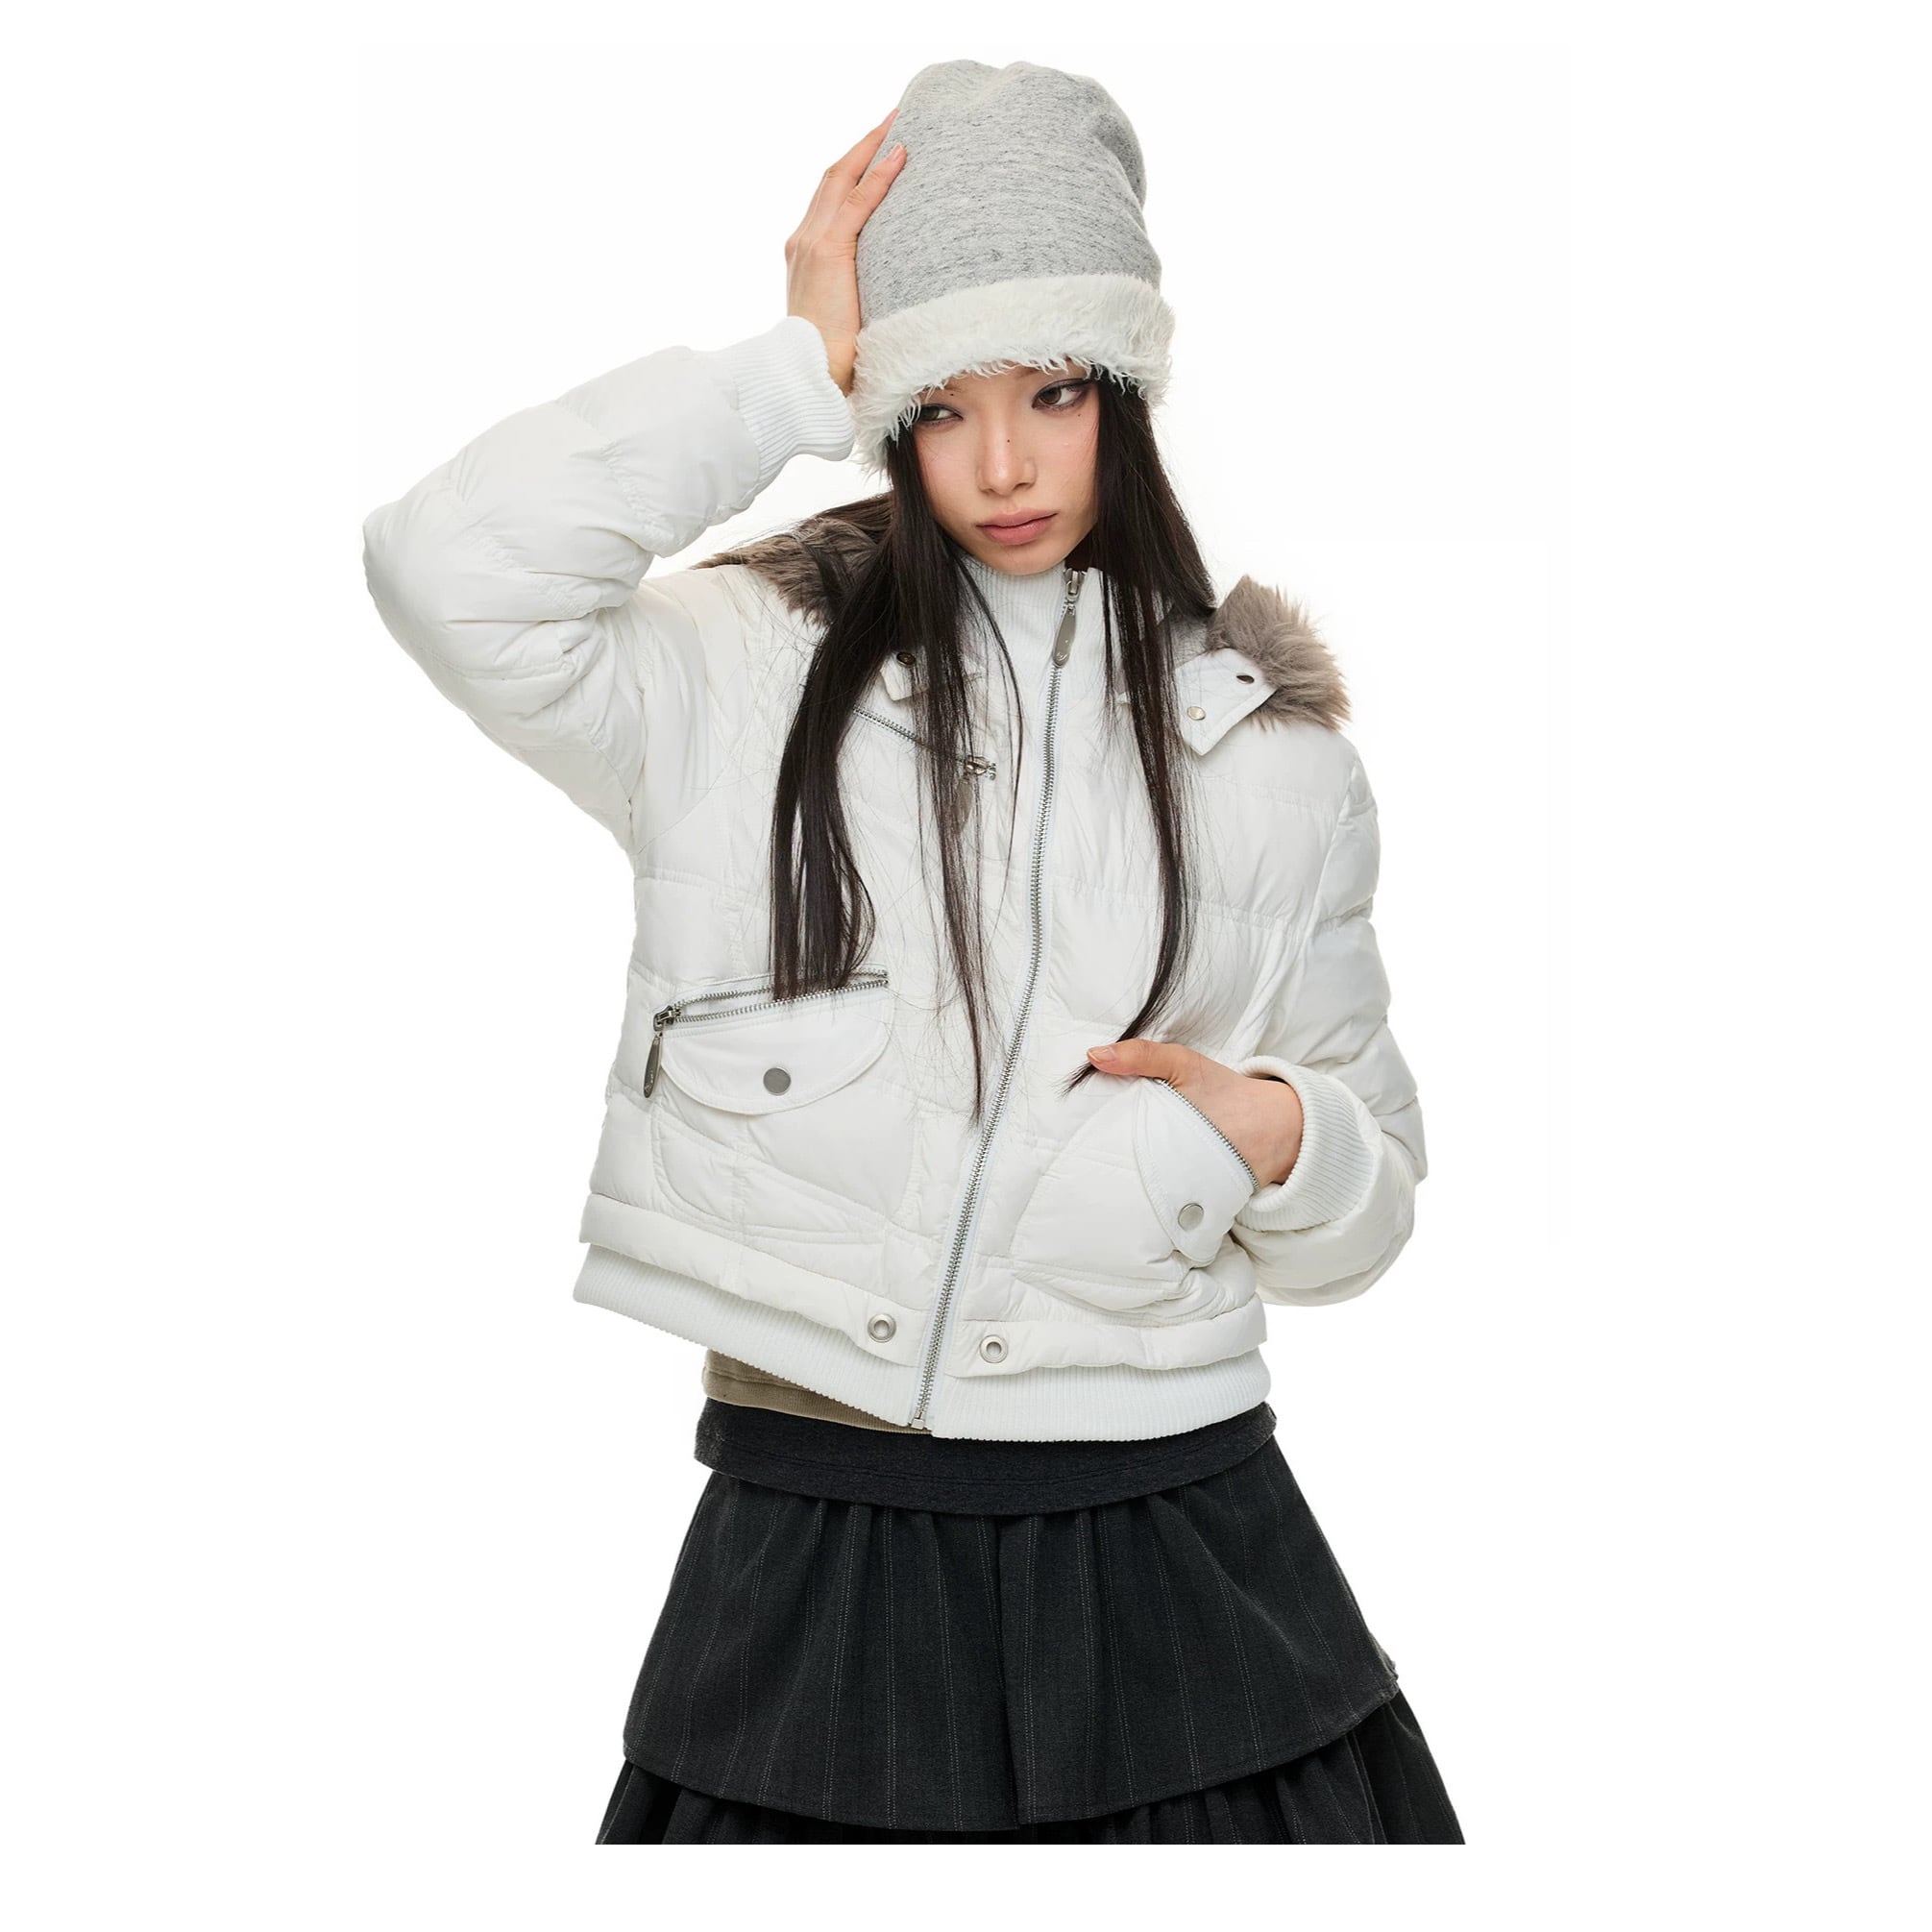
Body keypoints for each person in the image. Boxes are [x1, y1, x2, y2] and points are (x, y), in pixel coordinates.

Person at [361, 59, 1464, 1845]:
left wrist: (1281, 1134)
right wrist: (787, 371)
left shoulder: (1274, 756)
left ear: (1127, 394)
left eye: (1054, 392)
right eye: (939, 406)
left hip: (1172, 1511)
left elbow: (1370, 1204)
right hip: (818, 1504)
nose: (1004, 464)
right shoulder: (739, 672)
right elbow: (445, 570)